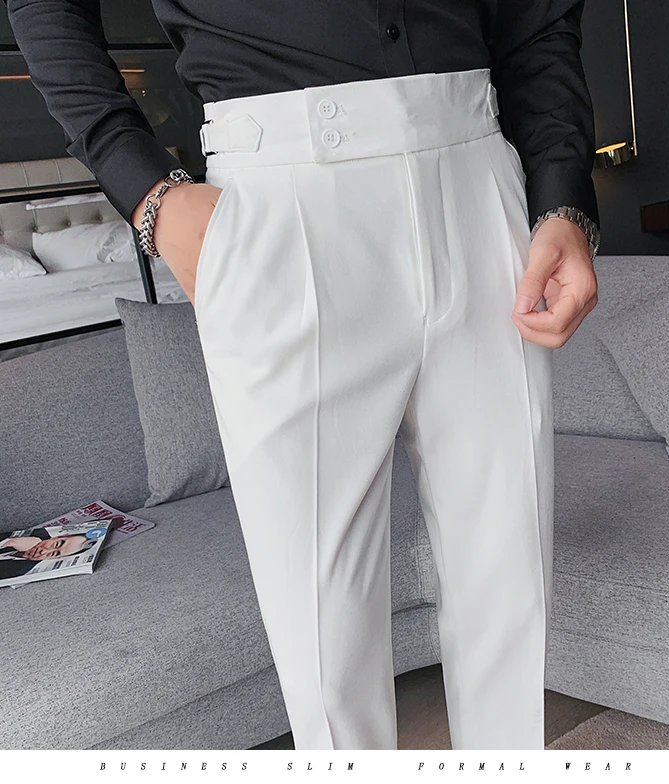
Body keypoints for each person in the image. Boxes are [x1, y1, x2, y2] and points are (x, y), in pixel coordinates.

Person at [4, 0, 601, 751]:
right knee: (324, 642)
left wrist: (562, 196)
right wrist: (149, 191)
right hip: (279, 203)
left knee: (510, 584)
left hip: (483, 175)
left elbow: (540, 16)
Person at [0, 527, 96, 580]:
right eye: (56, 544)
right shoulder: (36, 532)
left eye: (54, 554)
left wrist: (12, 542)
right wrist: (7, 541)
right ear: (58, 536)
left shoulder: (20, 570)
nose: (43, 551)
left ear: (55, 559)